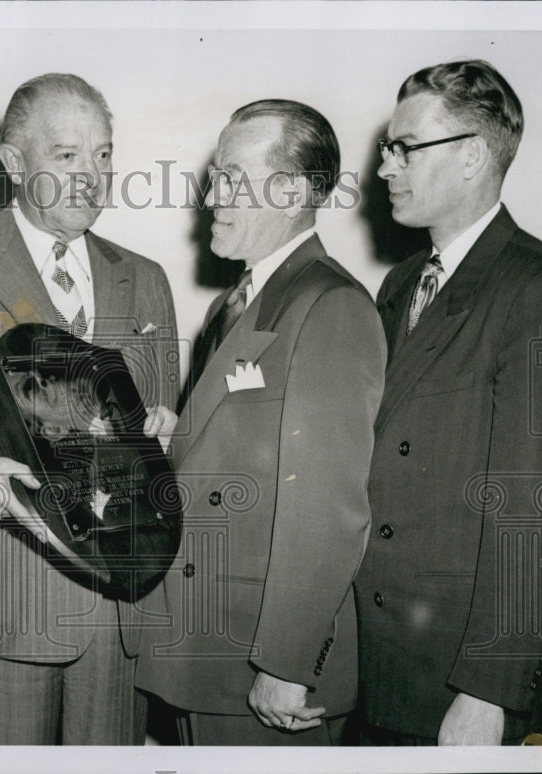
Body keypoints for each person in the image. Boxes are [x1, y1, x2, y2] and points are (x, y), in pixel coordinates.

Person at [0, 72, 179, 745]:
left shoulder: (147, 280)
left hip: (119, 622)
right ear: (14, 161)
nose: (91, 175)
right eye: (67, 155)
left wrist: (166, 433)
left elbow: (159, 438)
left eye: (103, 154)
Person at [355, 59, 542, 746]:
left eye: (405, 147)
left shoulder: (541, 294)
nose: (384, 167)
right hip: (380, 666)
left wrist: (488, 693)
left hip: (459, 686)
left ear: (471, 157)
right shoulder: (401, 284)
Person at [134, 99, 386, 745]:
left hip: (262, 667)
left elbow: (329, 507)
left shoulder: (328, 306)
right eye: (215, 174)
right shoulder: (237, 303)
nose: (211, 195)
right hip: (206, 651)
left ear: (294, 190)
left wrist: (287, 660)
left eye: (232, 177)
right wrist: (178, 439)